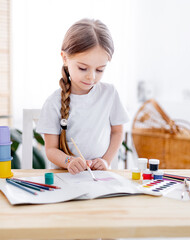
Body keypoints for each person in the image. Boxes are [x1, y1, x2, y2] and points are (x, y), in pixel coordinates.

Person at [36, 18, 129, 175]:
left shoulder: (110, 94)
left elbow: (117, 132)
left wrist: (106, 160)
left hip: (100, 178)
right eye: (83, 68)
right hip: (66, 178)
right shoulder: (53, 102)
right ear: (65, 58)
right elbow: (50, 149)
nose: (91, 77)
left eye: (100, 70)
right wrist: (69, 161)